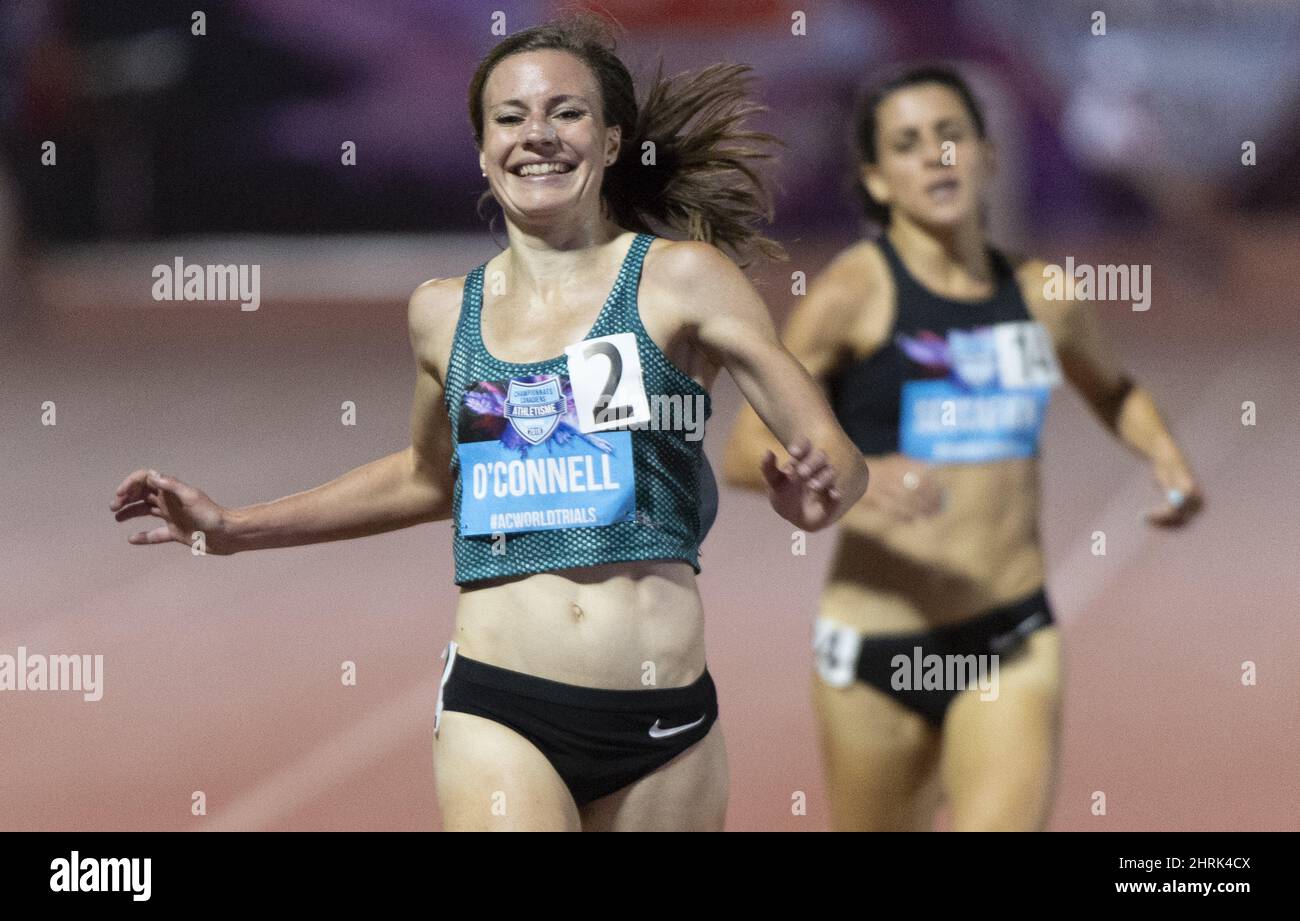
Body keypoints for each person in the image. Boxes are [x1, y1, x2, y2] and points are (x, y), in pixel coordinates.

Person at [109, 14, 869, 832]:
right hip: (502, 708)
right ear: (481, 149)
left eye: (566, 113)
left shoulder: (683, 281)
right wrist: (233, 527)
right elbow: (427, 477)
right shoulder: (443, 313)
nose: (537, 136)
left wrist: (815, 494)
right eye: (510, 118)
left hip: (665, 720)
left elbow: (833, 456)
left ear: (612, 141)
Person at [723, 65, 1203, 831]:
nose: (936, 156)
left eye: (952, 136)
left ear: (988, 155)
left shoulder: (1046, 294)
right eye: (908, 145)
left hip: (1010, 636)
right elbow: (746, 447)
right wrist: (861, 475)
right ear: (878, 181)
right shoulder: (853, 294)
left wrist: (1165, 454)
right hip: (875, 647)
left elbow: (1113, 390)